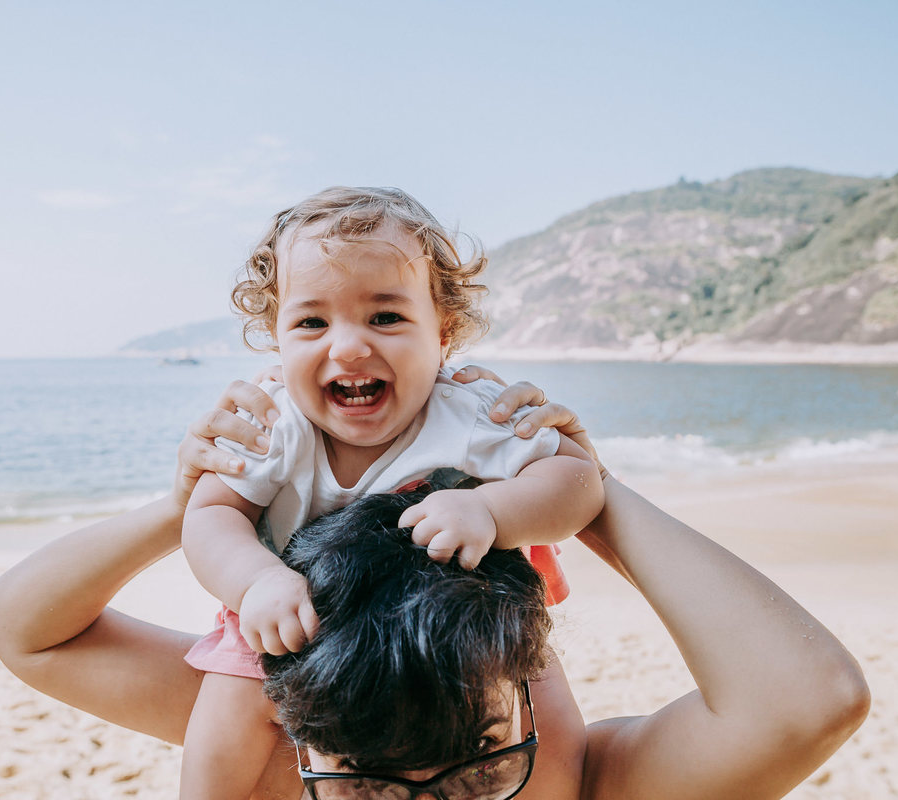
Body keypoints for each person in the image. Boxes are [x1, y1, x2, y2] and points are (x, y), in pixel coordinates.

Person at [0, 372, 871, 800]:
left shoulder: (585, 784)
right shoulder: (300, 727)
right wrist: (208, 505)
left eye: (479, 762)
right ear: (302, 728)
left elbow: (813, 698)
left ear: (536, 672)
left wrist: (582, 492)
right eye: (367, 784)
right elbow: (16, 623)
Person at [179, 188, 603, 799]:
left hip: (462, 617)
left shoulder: (469, 412)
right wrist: (254, 582)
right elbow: (211, 514)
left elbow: (576, 481)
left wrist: (490, 509)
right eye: (311, 322)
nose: (348, 346)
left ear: (444, 333)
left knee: (535, 698)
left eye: (385, 317)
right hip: (300, 616)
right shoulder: (272, 423)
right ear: (276, 339)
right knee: (225, 715)